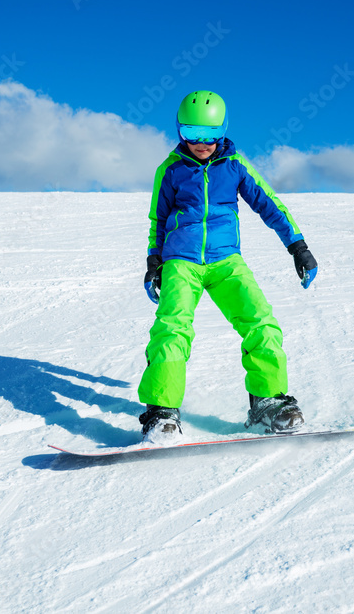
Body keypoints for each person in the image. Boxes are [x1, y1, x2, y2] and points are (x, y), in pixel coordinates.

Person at [137, 90, 319, 443]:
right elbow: (157, 220)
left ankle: (268, 401)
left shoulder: (235, 165)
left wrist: (298, 246)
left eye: (209, 135)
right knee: (172, 330)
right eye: (191, 134)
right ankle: (161, 412)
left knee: (260, 321)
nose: (201, 144)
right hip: (181, 262)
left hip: (226, 261)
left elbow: (270, 204)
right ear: (179, 131)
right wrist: (154, 261)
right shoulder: (170, 170)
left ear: (222, 131)